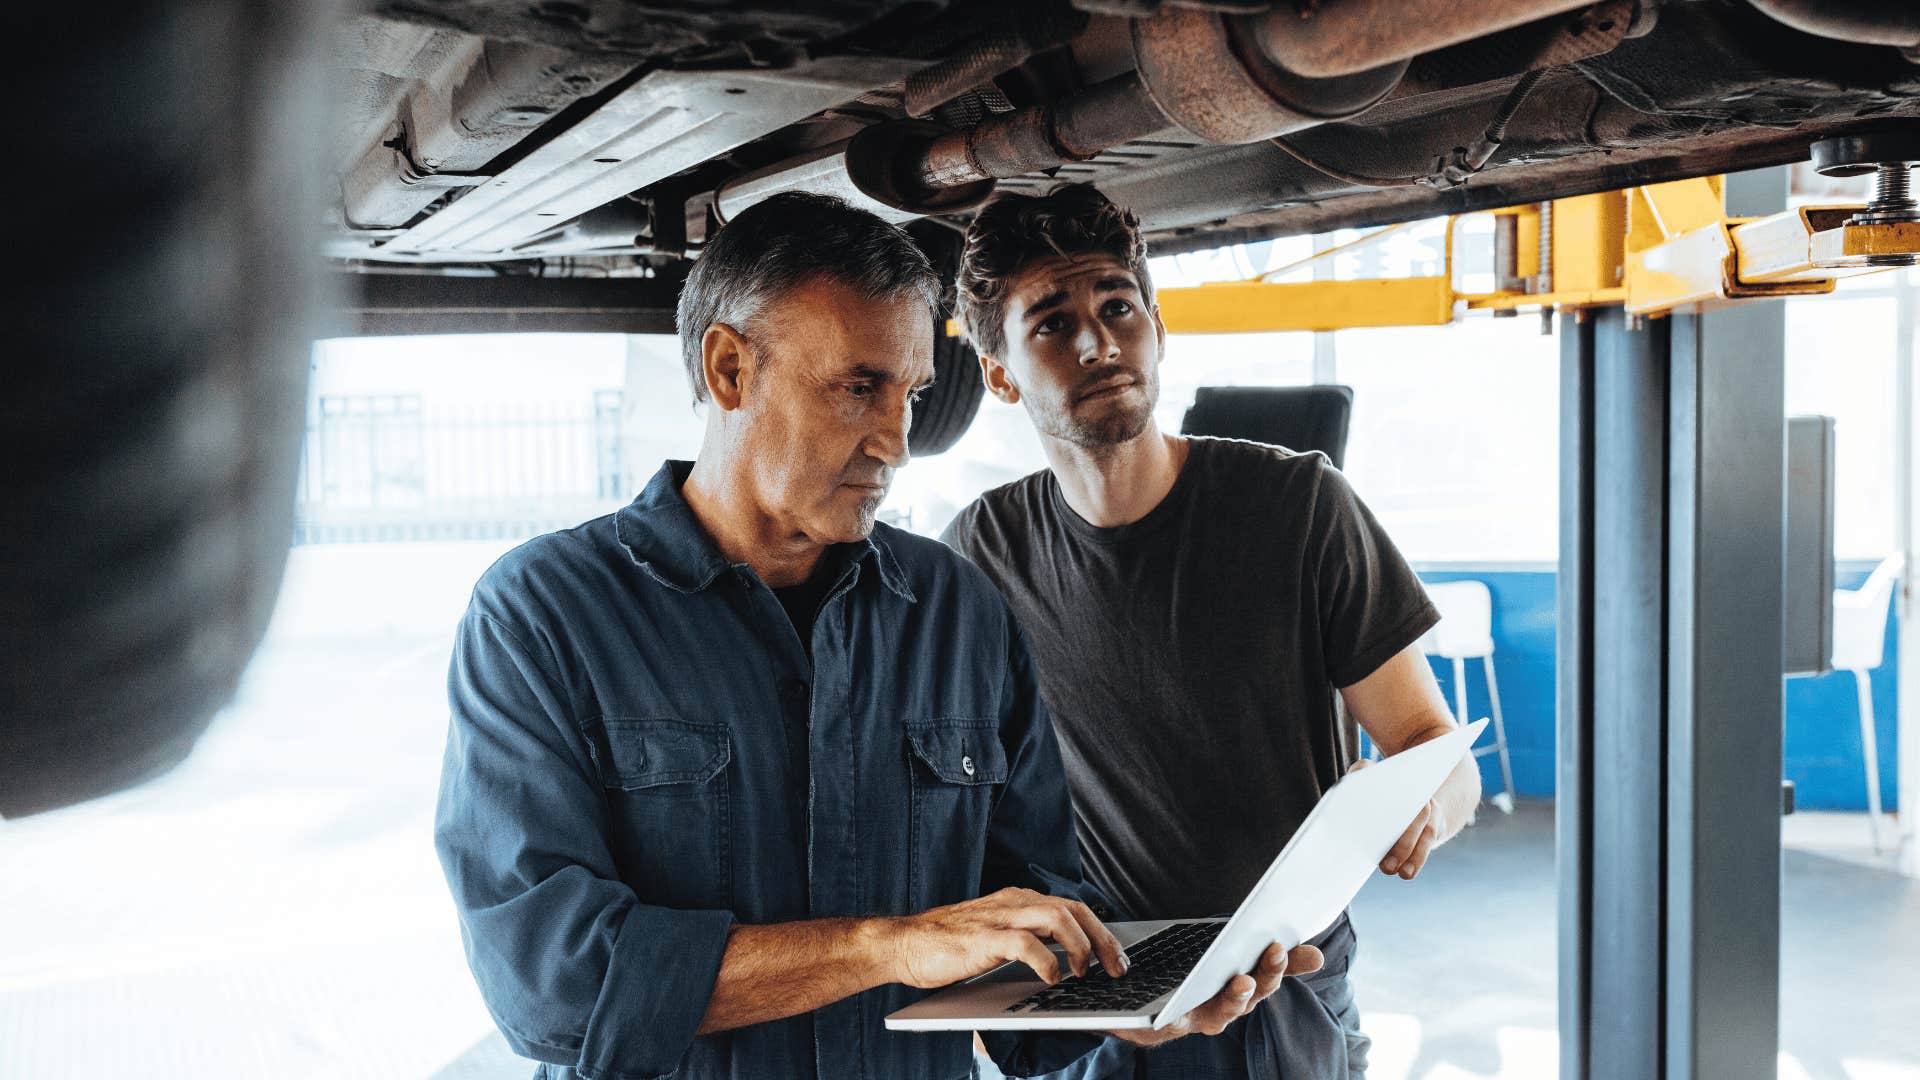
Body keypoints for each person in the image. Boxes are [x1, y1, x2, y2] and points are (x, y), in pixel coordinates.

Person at [433, 191, 1320, 1080]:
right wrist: (884, 948)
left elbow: (1028, 935)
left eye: (914, 394)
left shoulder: (960, 615)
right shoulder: (542, 615)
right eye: (859, 388)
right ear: (730, 370)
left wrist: (1129, 1001)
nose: (897, 442)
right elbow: (549, 986)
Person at [942, 183, 1483, 1079]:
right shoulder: (982, 552)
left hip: (1286, 988)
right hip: (1110, 1001)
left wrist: (1426, 806)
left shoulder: (1301, 509)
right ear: (998, 373)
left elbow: (1436, 750)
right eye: (1050, 323)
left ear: (1159, 327)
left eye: (1119, 306)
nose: (1099, 342)